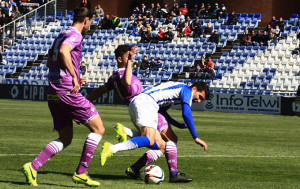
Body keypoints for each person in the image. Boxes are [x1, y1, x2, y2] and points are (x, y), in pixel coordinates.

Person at [22, 7, 103, 187]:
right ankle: (81, 172)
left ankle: (32, 166)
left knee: (66, 138)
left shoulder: (61, 33)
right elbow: (64, 52)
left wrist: (72, 73)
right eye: (91, 21)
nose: (91, 24)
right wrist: (74, 76)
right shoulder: (76, 35)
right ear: (86, 20)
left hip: (53, 92)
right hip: (67, 91)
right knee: (98, 129)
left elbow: (50, 61)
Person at [88, 45, 194, 182]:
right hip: (145, 106)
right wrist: (131, 61)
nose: (131, 59)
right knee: (169, 141)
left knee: (161, 145)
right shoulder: (122, 74)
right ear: (120, 59)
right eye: (128, 56)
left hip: (141, 108)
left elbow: (100, 91)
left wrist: (84, 102)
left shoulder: (114, 77)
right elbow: (126, 82)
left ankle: (134, 167)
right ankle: (173, 174)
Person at [100, 81, 209, 176]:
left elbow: (162, 112)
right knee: (154, 139)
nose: (198, 101)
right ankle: (112, 148)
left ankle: (133, 166)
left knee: (160, 145)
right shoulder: (186, 90)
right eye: (200, 97)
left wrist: (179, 125)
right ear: (194, 89)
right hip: (147, 103)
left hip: (139, 102)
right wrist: (195, 137)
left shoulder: (176, 89)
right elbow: (186, 113)